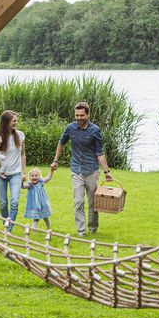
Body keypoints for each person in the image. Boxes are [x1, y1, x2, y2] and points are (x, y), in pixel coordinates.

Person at [51, 101, 113, 237]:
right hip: (76, 170)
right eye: (77, 115)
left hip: (91, 170)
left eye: (82, 115)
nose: (79, 118)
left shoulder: (95, 130)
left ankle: (93, 228)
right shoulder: (70, 128)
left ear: (88, 115)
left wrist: (107, 172)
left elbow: (100, 152)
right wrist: (56, 160)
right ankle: (81, 232)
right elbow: (61, 143)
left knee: (93, 203)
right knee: (78, 201)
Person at [0, 110, 26, 232]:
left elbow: (23, 155)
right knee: (3, 203)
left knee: (14, 202)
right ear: (6, 122)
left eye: (16, 120)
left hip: (15, 174)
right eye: (14, 121)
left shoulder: (20, 135)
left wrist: (24, 172)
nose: (16, 123)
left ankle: (8, 229)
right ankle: (5, 223)